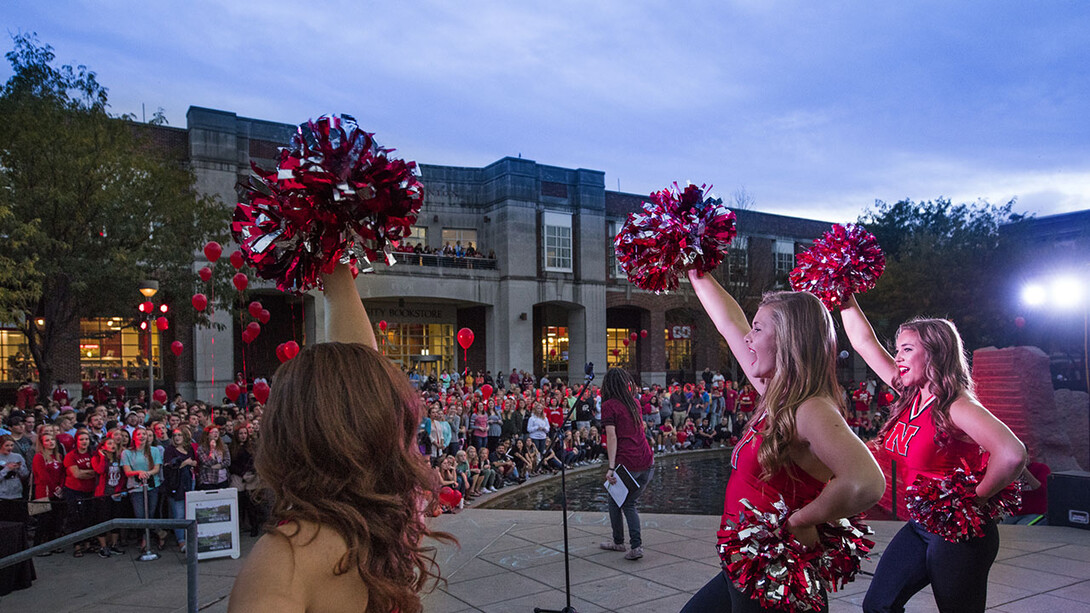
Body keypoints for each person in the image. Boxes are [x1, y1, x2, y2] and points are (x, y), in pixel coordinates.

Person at [229, 263, 450, 613]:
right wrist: (335, 272)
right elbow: (361, 396)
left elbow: (359, 393)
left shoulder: (281, 564)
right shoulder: (385, 521)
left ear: (288, 430)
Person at [681, 271, 885, 612]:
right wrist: (695, 271)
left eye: (758, 329)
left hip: (774, 579)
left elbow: (867, 482)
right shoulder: (778, 394)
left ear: (789, 340)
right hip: (747, 562)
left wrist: (801, 520)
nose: (748, 338)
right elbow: (730, 324)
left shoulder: (810, 408)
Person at [840, 295, 1027, 613]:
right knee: (878, 605)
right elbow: (862, 341)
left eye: (907, 350)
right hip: (920, 525)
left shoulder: (958, 405)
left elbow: (1012, 454)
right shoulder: (910, 394)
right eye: (897, 349)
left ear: (936, 354)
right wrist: (842, 293)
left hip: (958, 535)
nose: (897, 357)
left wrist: (973, 500)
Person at [598, 368, 655, 561]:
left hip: (627, 462)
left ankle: (634, 546)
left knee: (627, 503)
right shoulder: (634, 402)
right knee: (616, 501)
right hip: (646, 460)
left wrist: (611, 467)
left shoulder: (609, 406)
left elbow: (612, 437)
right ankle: (619, 541)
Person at [123, 426, 164, 551]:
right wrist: (139, 472)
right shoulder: (127, 453)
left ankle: (147, 539)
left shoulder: (155, 450)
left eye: (144, 434)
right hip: (136, 488)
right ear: (134, 437)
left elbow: (157, 468)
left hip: (152, 486)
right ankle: (149, 536)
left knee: (150, 513)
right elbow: (127, 471)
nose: (142, 436)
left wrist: (148, 473)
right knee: (140, 514)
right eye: (139, 434)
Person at [91, 431, 127, 558]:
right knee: (103, 519)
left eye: (113, 443)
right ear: (103, 446)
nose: (112, 445)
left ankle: (114, 544)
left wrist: (119, 490)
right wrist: (102, 457)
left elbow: (122, 476)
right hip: (103, 494)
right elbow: (100, 470)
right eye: (109, 443)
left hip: (116, 493)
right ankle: (103, 546)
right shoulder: (96, 458)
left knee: (116, 518)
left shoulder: (119, 458)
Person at [163, 427, 198, 550]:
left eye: (180, 435)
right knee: (179, 514)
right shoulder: (169, 450)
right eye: (175, 435)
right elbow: (168, 468)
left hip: (190, 481)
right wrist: (186, 463)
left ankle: (191, 537)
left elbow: (195, 462)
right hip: (176, 484)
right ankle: (181, 540)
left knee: (190, 511)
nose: (177, 437)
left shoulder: (189, 449)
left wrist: (192, 463)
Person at [31, 431, 67, 551]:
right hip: (43, 493)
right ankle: (38, 546)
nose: (51, 442)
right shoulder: (39, 457)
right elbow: (43, 476)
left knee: (56, 520)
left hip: (57, 493)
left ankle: (53, 545)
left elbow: (63, 473)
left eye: (52, 440)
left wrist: (60, 487)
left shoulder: (59, 456)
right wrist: (54, 488)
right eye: (47, 440)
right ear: (42, 443)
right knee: (43, 521)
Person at [197, 425, 231, 490]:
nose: (216, 434)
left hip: (223, 480)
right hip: (209, 480)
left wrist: (217, 466)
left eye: (217, 432)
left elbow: (227, 462)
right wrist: (212, 450)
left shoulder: (224, 446)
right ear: (207, 435)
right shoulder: (201, 448)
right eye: (213, 432)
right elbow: (208, 462)